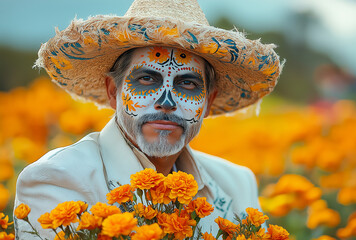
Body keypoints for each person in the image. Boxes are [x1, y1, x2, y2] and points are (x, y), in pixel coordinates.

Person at [14, 0, 282, 238]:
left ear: (208, 103)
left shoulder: (236, 184)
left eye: (187, 84)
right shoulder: (58, 180)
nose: (166, 102)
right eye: (146, 79)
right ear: (113, 91)